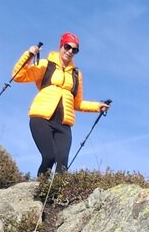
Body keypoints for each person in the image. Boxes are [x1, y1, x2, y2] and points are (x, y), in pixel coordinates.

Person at [12, 33, 109, 176]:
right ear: (61, 46)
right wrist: (29, 55)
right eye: (67, 47)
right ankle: (41, 188)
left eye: (74, 50)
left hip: (64, 124)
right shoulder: (46, 64)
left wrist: (97, 107)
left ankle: (55, 196)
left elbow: (78, 103)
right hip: (41, 118)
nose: (70, 51)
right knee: (49, 156)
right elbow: (19, 76)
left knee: (62, 163)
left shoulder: (76, 74)